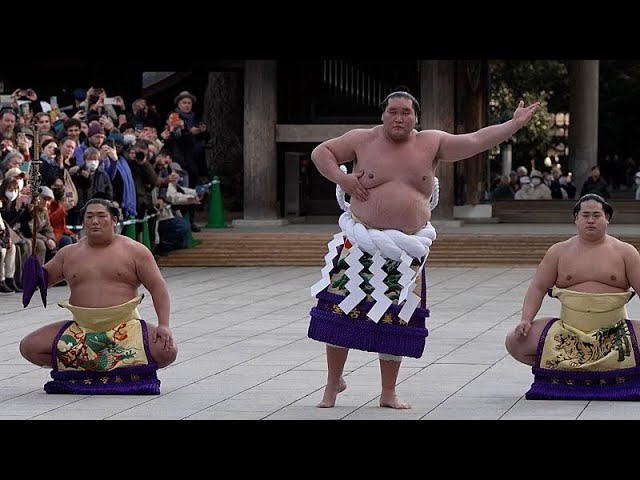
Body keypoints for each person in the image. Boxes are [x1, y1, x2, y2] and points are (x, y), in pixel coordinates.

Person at [308, 87, 539, 409]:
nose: (399, 117)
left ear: (416, 117)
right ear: (383, 114)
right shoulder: (362, 139)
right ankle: (333, 384)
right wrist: (342, 179)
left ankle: (388, 392)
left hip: (406, 251)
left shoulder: (432, 142)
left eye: (406, 112)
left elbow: (475, 141)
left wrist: (513, 124)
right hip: (361, 242)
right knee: (340, 313)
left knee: (396, 320)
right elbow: (322, 153)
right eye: (393, 111)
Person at [19, 198, 177, 394]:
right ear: (83, 222)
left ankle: (94, 369)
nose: (95, 221)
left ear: (114, 221)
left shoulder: (136, 251)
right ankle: (89, 371)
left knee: (167, 350)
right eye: (89, 217)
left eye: (101, 216)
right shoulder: (68, 254)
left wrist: (164, 325)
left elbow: (158, 287)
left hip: (125, 328)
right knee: (29, 347)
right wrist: (32, 270)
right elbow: (42, 281)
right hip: (82, 329)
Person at [505, 194, 640, 400]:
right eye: (585, 215)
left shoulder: (625, 252)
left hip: (616, 332)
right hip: (568, 333)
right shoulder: (559, 252)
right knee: (515, 341)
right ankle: (568, 370)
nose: (591, 220)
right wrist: (525, 319)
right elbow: (538, 287)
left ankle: (599, 370)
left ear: (607, 219)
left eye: (597, 215)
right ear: (576, 218)